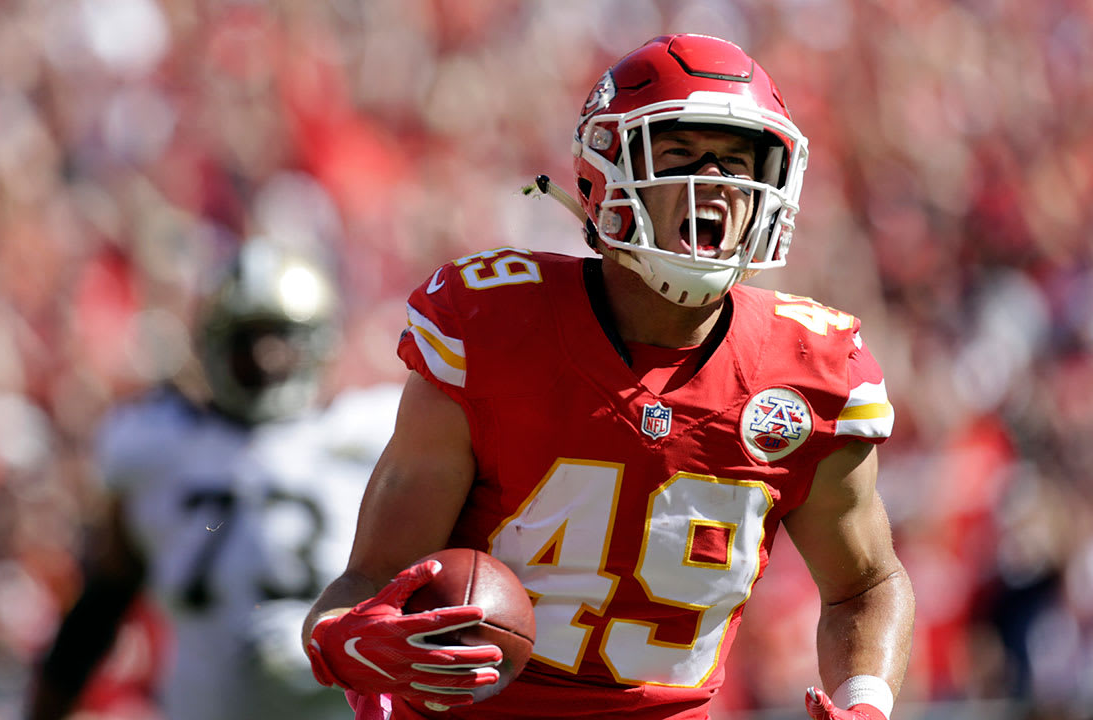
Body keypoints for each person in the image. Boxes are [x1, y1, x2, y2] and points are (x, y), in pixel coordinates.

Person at [301, 33, 915, 720]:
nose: (715, 182)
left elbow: (865, 585)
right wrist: (347, 642)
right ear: (604, 173)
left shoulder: (811, 369)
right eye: (679, 155)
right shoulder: (495, 326)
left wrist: (865, 702)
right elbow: (365, 581)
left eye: (741, 164)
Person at [26, 238, 398, 720]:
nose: (263, 359)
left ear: (316, 343)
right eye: (246, 341)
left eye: (278, 339)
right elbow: (103, 602)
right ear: (213, 346)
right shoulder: (155, 447)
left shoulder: (372, 438)